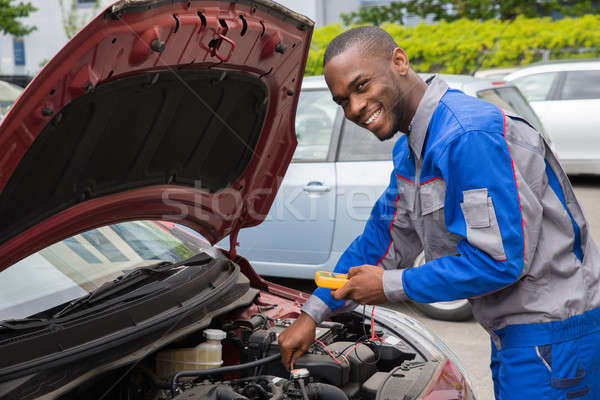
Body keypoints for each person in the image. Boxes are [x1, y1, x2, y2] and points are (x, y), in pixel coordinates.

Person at [277, 26, 600, 399]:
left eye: (361, 86)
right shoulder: (411, 151)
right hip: (517, 335)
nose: (354, 108)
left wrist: (388, 285)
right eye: (342, 101)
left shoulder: (467, 135)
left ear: (399, 61)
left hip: (555, 337)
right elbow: (380, 243)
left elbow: (500, 261)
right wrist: (311, 313)